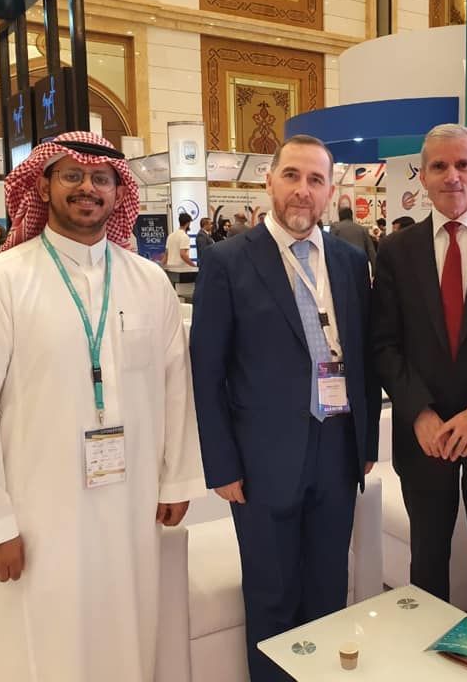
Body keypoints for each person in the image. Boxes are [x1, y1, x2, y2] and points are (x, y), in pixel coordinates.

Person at [0, 131, 206, 682]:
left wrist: (176, 479)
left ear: (118, 192)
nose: (87, 188)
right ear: (42, 186)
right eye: (72, 175)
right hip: (37, 515)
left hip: (131, 504)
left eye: (101, 178)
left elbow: (175, 384)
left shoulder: (149, 282)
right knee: (45, 643)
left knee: (128, 631)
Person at [190, 134, 380, 682]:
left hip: (337, 450)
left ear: (330, 191)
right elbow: (207, 371)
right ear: (269, 181)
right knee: (271, 597)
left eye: (315, 180)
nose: (303, 190)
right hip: (261, 460)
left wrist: (365, 443)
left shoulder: (348, 261)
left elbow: (362, 356)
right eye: (292, 176)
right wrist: (221, 465)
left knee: (328, 590)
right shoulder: (227, 261)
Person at [371, 123, 467, 619]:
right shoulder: (397, 251)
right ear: (423, 176)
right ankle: (427, 651)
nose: (452, 176)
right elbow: (385, 344)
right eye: (439, 166)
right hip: (426, 436)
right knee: (427, 560)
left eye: (462, 164)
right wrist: (419, 414)